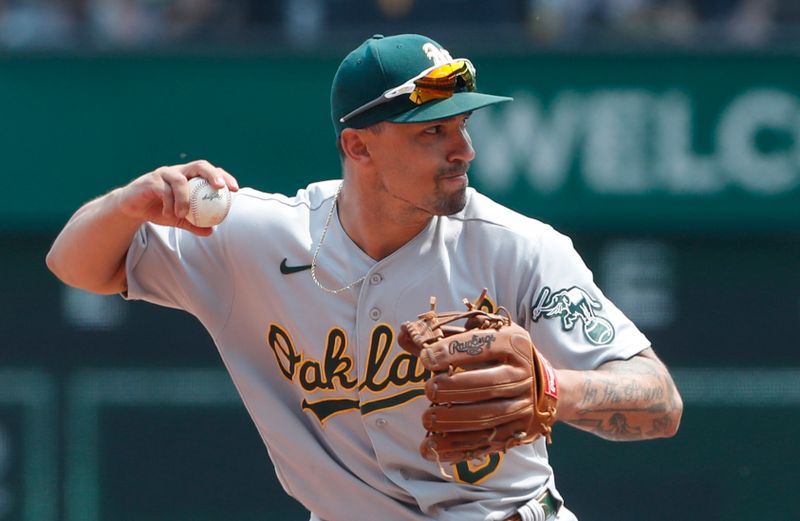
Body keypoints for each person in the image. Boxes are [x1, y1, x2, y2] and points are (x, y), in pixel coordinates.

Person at [46, 33, 683, 521]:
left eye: (463, 126)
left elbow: (658, 399)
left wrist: (553, 389)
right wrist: (128, 203)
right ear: (359, 148)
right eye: (434, 131)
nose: (464, 150)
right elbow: (74, 265)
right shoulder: (257, 238)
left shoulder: (516, 248)